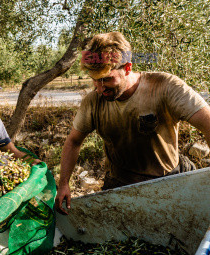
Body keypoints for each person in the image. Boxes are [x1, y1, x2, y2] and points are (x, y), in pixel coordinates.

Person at [55, 32, 210, 214]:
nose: (99, 88)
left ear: (127, 68)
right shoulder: (93, 101)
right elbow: (74, 141)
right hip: (120, 184)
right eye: (94, 80)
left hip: (169, 179)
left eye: (106, 79)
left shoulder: (165, 86)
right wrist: (63, 183)